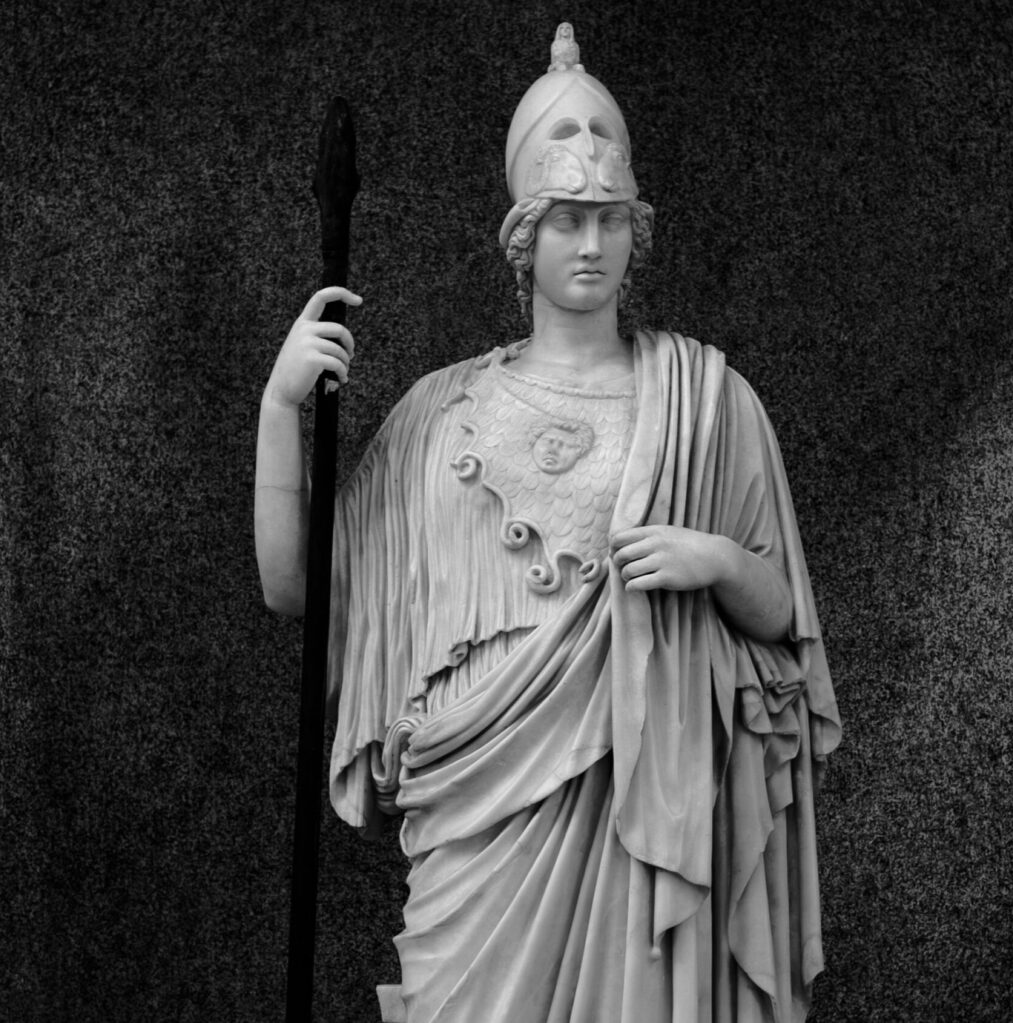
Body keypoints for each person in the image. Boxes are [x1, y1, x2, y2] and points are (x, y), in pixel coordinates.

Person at [254, 24, 839, 1023]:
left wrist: (713, 562)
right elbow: (298, 590)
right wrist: (278, 415)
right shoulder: (438, 418)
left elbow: (784, 618)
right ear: (524, 233)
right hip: (475, 830)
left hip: (638, 825)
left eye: (608, 219)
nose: (590, 243)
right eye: (567, 218)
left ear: (634, 231)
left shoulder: (708, 403)